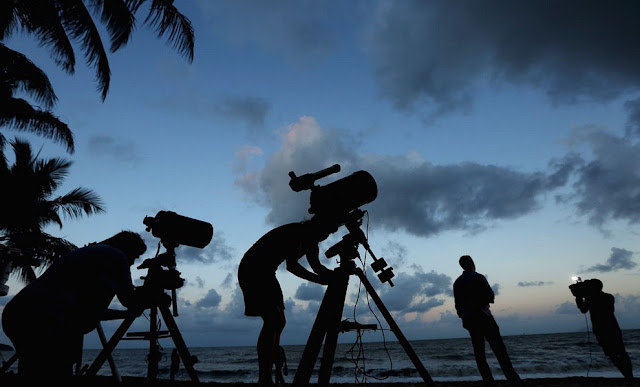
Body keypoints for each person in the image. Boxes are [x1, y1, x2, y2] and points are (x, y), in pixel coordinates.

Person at [1, 230, 149, 381]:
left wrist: (125, 314)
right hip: (43, 317)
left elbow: (88, 311)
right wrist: (151, 296)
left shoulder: (89, 256)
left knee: (34, 370)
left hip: (18, 314)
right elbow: (128, 299)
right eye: (135, 257)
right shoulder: (117, 256)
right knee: (54, 371)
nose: (132, 262)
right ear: (128, 248)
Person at [238, 217, 336, 386]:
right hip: (253, 269)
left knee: (279, 322)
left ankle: (269, 368)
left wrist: (333, 276)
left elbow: (317, 267)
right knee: (273, 320)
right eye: (324, 232)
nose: (325, 236)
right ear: (316, 227)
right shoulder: (296, 233)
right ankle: (265, 377)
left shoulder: (312, 241)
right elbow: (292, 266)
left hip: (267, 272)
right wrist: (321, 281)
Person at [453, 255, 521, 387]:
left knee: (479, 354)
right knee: (500, 351)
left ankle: (488, 382)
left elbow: (458, 306)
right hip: (484, 317)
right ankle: (513, 380)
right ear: (473, 263)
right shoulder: (478, 277)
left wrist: (464, 318)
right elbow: (490, 296)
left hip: (470, 321)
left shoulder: (457, 282)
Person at [574, 278, 633, 379]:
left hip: (601, 329)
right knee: (621, 352)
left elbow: (583, 309)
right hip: (613, 327)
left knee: (613, 354)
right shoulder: (609, 297)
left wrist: (579, 297)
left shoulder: (592, 298)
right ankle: (629, 376)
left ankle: (628, 376)